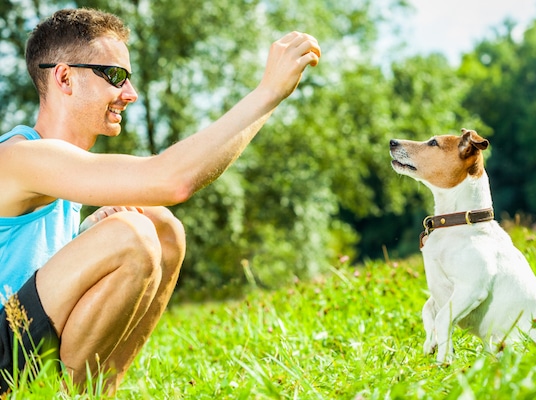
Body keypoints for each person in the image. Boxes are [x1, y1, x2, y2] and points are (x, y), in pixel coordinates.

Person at [0, 7, 320, 395]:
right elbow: (173, 180)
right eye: (114, 76)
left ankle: (97, 391)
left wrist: (87, 232)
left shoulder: (66, 173)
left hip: (19, 336)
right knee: (131, 235)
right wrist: (267, 93)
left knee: (160, 227)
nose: (129, 94)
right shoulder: (22, 157)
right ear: (65, 77)